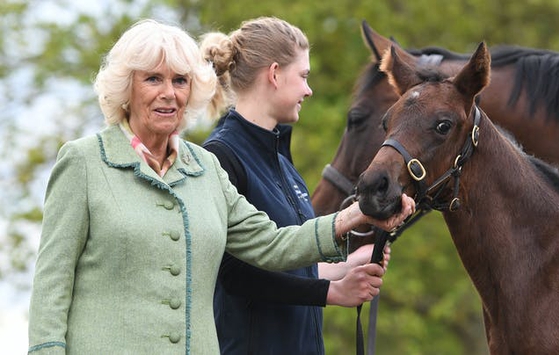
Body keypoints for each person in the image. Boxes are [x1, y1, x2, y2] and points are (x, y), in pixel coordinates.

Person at [26, 19, 415, 355]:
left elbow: (273, 244)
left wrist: (357, 213)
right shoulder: (83, 162)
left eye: (180, 80)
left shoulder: (206, 169)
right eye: (152, 79)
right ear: (125, 88)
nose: (169, 93)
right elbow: (51, 286)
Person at [199, 17, 391, 355]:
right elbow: (233, 274)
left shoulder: (281, 160)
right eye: (303, 76)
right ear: (274, 74)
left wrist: (345, 268)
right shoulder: (220, 155)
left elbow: (283, 257)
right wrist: (331, 293)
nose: (308, 89)